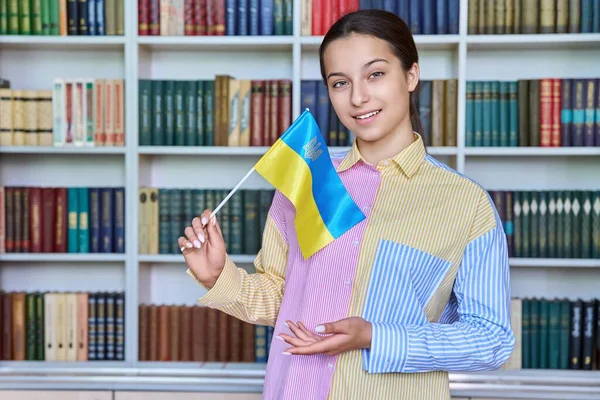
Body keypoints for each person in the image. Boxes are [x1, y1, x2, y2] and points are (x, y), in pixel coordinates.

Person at [178, 9, 515, 400]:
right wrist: (216, 275)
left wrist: (375, 336)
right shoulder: (307, 180)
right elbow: (282, 301)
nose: (358, 97)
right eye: (340, 82)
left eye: (375, 74)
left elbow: (491, 341)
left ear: (411, 75)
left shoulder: (465, 204)